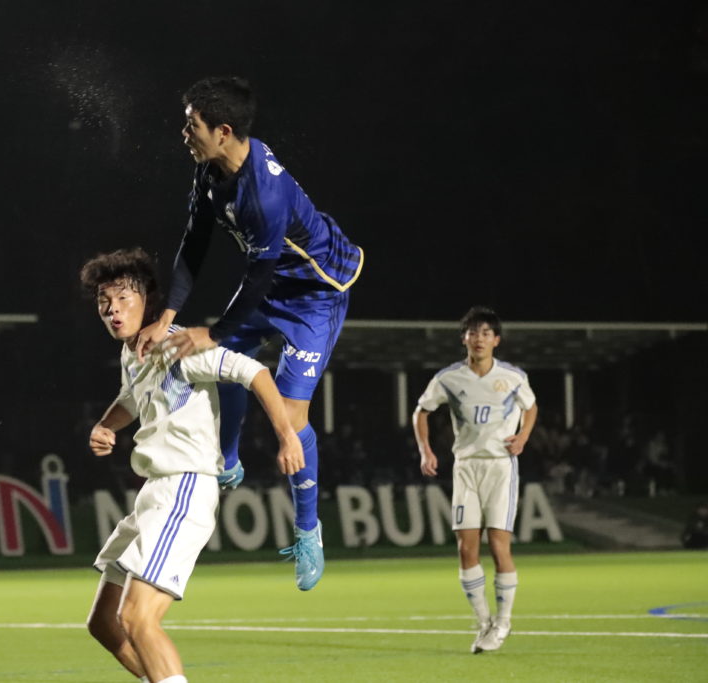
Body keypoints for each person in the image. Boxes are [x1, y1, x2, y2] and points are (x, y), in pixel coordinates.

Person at [136, 75, 363, 591]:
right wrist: (169, 315)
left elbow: (257, 276)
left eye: (192, 125)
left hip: (316, 295)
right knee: (228, 366)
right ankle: (229, 459)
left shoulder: (264, 194)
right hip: (274, 283)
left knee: (290, 416)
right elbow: (195, 242)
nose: (184, 133)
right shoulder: (211, 170)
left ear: (223, 130)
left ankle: (308, 530)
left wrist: (214, 333)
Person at [81, 247, 303, 683]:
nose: (112, 309)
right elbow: (131, 398)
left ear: (148, 299)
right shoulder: (133, 353)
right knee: (104, 624)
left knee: (137, 618)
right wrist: (106, 425)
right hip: (154, 493)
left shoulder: (177, 344)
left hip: (183, 487)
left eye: (123, 298)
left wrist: (287, 434)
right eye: (104, 301)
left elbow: (253, 371)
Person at [412, 306, 538, 654]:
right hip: (466, 467)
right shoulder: (449, 378)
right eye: (472, 332)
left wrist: (523, 437)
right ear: (463, 339)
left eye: (485, 333)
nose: (478, 339)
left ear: (496, 340)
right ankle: (484, 623)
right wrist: (425, 450)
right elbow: (421, 411)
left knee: (498, 545)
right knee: (466, 548)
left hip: (500, 466)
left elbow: (531, 407)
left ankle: (504, 622)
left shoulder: (512, 376)